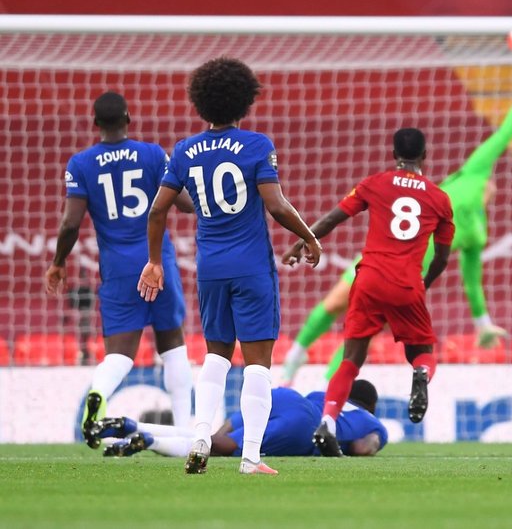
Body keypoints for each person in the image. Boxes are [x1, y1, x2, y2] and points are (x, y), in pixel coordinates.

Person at [278, 63, 512, 385]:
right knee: (338, 303)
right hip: (394, 266)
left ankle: (327, 384)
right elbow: (504, 135)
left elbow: (471, 280)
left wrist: (482, 322)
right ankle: (296, 357)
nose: (494, 185)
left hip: (399, 271)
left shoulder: (477, 229)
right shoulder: (475, 173)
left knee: (364, 330)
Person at [138, 57, 322, 476]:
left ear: (201, 103)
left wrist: (153, 261)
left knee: (215, 356)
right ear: (244, 101)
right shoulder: (257, 145)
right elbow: (275, 204)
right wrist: (309, 236)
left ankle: (201, 434)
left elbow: (158, 210)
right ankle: (251, 458)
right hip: (252, 268)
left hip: (211, 269)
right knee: (257, 361)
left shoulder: (184, 150)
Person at [282, 127, 454, 457]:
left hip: (369, 278)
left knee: (351, 359)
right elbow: (443, 257)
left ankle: (328, 423)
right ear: (425, 156)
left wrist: (302, 242)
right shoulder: (440, 199)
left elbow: (333, 219)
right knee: (423, 351)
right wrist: (424, 285)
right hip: (407, 283)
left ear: (393, 155)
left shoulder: (373, 184)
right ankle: (420, 374)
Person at [45, 91, 194, 448]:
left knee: (119, 354)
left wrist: (58, 263)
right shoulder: (153, 154)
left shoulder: (80, 164)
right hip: (157, 259)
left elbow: (69, 224)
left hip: (117, 266)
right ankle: (187, 428)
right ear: (128, 118)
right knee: (172, 342)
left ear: (95, 123)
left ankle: (98, 397)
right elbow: (186, 204)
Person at [99, 380, 387, 458]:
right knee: (223, 449)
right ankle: (150, 441)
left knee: (213, 437)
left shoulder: (323, 393)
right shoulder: (374, 424)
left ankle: (134, 426)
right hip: (304, 427)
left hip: (288, 397)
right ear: (370, 406)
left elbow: (230, 425)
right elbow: (365, 446)